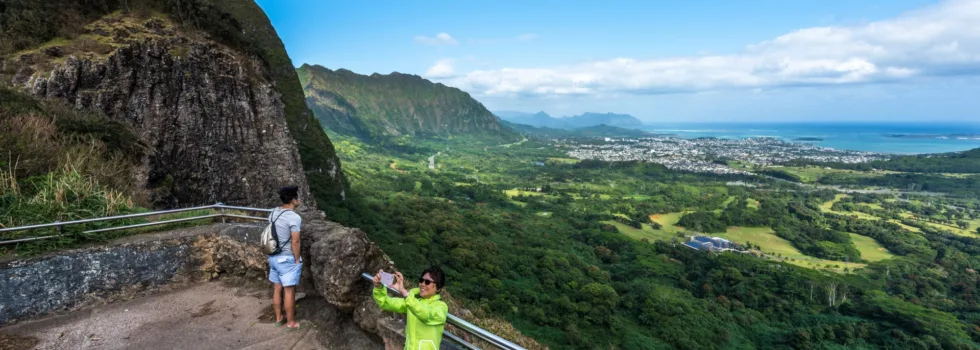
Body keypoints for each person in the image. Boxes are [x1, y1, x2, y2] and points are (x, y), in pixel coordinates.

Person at [373, 266, 449, 350]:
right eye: (421, 280)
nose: (422, 284)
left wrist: (405, 293)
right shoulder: (412, 301)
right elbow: (386, 303)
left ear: (438, 288)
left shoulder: (441, 307)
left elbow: (426, 315)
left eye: (427, 282)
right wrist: (379, 288)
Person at [269, 186, 304, 329]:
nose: (299, 199)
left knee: (277, 288)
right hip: (286, 258)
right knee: (289, 291)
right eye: (298, 197)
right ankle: (291, 322)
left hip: (273, 256)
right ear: (294, 200)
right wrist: (296, 259)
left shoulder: (273, 212)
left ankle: (278, 318)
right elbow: (295, 241)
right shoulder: (294, 217)